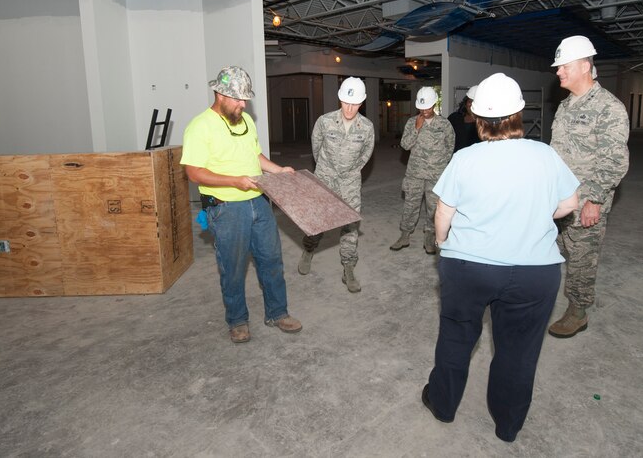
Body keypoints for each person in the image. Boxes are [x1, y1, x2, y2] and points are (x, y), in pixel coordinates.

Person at [421, 72, 579, 443]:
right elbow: (569, 205)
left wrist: (444, 246)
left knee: (457, 337)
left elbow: (443, 212)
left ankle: (443, 405)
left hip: (468, 268)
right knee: (519, 351)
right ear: (519, 113)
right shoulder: (546, 155)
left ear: (478, 118)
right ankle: (507, 426)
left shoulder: (465, 158)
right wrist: (534, 214)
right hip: (534, 273)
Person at [181, 66, 302, 344]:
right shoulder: (200, 126)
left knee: (271, 260)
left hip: (258, 202)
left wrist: (277, 170)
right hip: (226, 208)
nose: (243, 104)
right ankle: (237, 320)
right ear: (220, 94)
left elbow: (255, 154)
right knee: (233, 267)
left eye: (245, 99)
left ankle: (277, 312)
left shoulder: (245, 120)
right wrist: (235, 181)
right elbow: (194, 172)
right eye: (237, 99)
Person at [548, 35, 629, 339]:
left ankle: (578, 311)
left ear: (584, 66)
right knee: (548, 249)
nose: (558, 72)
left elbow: (615, 161)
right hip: (558, 198)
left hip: (585, 200)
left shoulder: (609, 108)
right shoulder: (566, 106)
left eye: (563, 66)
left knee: (582, 259)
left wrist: (594, 199)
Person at [297, 77, 375, 293]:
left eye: (355, 103)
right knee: (318, 220)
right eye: (346, 102)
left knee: (350, 224)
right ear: (340, 99)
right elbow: (316, 148)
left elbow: (366, 155)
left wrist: (350, 171)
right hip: (324, 177)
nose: (349, 108)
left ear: (362, 102)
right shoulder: (324, 121)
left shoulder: (367, 127)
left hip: (350, 180)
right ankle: (308, 249)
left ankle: (348, 267)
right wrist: (327, 170)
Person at [390, 86, 455, 254]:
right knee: (410, 205)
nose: (424, 110)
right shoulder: (412, 122)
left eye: (427, 106)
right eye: (421, 107)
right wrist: (416, 129)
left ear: (434, 104)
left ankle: (429, 236)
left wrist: (440, 165)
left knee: (434, 208)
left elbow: (450, 147)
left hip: (436, 174)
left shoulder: (444, 124)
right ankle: (405, 235)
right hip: (415, 174)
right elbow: (405, 144)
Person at [447, 84, 481, 152]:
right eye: (470, 101)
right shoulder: (454, 118)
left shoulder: (485, 123)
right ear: (465, 102)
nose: (472, 104)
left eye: (476, 102)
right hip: (456, 159)